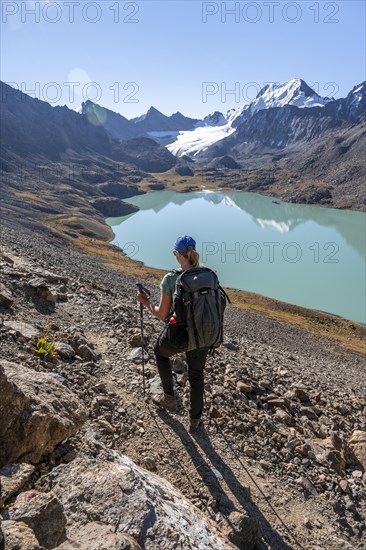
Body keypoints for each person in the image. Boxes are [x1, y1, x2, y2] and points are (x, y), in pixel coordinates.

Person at [136, 235, 208, 431]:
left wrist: (145, 302)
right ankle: (195, 420)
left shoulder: (171, 278)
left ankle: (169, 399)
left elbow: (162, 314)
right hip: (203, 335)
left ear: (177, 254)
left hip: (179, 335)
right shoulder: (206, 275)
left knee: (160, 352)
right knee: (196, 373)